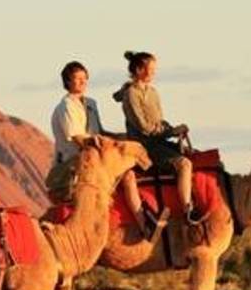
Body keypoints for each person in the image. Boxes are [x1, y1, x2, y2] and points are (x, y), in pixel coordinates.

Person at [49, 60, 160, 240]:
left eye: (84, 78)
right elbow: (78, 138)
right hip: (76, 162)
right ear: (68, 82)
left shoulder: (91, 103)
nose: (82, 82)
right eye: (77, 79)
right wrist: (103, 142)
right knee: (128, 175)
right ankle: (144, 224)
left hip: (98, 157)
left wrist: (124, 137)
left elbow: (100, 132)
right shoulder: (66, 107)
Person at [113, 51, 202, 225]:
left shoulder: (152, 91)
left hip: (159, 141)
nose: (153, 73)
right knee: (184, 164)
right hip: (144, 146)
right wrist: (171, 131)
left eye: (154, 69)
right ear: (139, 70)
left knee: (196, 156)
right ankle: (187, 210)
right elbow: (144, 127)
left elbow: (159, 122)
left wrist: (173, 129)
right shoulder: (131, 94)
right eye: (150, 69)